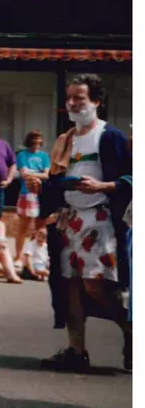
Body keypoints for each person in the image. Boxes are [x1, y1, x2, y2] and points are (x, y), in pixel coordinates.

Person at [27, 73, 132, 372]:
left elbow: (131, 178)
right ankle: (76, 350)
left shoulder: (109, 136)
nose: (72, 103)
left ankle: (133, 331)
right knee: (69, 286)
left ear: (96, 101)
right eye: (69, 97)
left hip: (100, 220)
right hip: (69, 221)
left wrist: (103, 187)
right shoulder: (65, 139)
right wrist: (42, 185)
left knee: (95, 286)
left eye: (79, 98)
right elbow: (58, 181)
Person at [14, 129, 51, 266]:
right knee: (23, 227)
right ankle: (18, 257)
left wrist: (32, 173)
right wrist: (38, 173)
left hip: (41, 194)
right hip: (26, 194)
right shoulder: (22, 155)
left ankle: (35, 257)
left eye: (38, 139)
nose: (36, 142)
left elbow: (47, 175)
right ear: (29, 140)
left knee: (39, 228)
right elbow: (23, 173)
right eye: (34, 139)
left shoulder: (44, 156)